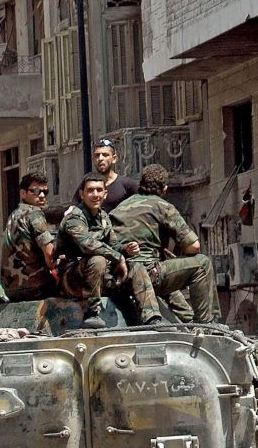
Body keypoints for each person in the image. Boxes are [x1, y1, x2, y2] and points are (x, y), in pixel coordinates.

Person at [111, 164, 221, 323]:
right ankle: (207, 323)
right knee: (202, 264)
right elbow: (193, 246)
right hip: (148, 274)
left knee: (166, 274)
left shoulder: (120, 207)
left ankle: (187, 319)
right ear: (164, 189)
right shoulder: (162, 206)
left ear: (141, 184)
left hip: (120, 276)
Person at [58, 172, 162, 329]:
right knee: (97, 260)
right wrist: (118, 257)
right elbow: (87, 244)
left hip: (98, 275)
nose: (95, 195)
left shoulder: (103, 217)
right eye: (90, 190)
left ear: (105, 194)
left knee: (136, 267)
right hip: (72, 278)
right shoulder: (75, 218)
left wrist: (126, 250)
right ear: (81, 194)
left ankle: (152, 317)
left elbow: (114, 245)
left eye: (99, 190)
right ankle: (91, 313)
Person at [0, 171, 59, 300]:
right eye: (36, 191)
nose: (42, 196)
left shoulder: (14, 214)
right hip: (35, 286)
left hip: (10, 288)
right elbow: (50, 254)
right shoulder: (34, 213)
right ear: (23, 193)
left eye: (45, 192)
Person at [92, 138, 138, 213]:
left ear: (114, 159)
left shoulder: (128, 185)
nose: (100, 158)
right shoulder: (87, 186)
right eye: (97, 155)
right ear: (93, 159)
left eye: (105, 155)